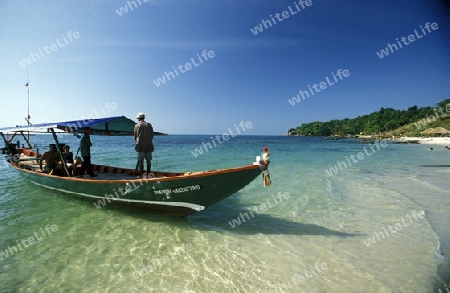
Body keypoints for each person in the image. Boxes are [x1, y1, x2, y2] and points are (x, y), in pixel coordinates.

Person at [134, 112, 154, 178]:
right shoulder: (149, 125)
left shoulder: (136, 126)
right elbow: (151, 136)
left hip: (140, 146)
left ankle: (142, 175)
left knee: (141, 161)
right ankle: (148, 174)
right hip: (149, 146)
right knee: (148, 161)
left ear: (138, 118)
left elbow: (136, 136)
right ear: (144, 118)